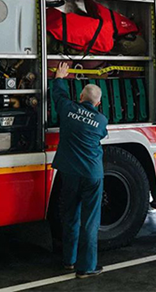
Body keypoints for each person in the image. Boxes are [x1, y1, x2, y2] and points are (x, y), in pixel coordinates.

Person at [51, 62, 108, 278]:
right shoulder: (101, 120)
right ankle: (87, 267)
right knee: (90, 221)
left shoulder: (68, 109)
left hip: (70, 173)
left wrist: (59, 77)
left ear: (81, 97)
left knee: (70, 216)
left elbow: (58, 94)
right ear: (99, 102)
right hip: (92, 175)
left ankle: (69, 261)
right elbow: (101, 135)